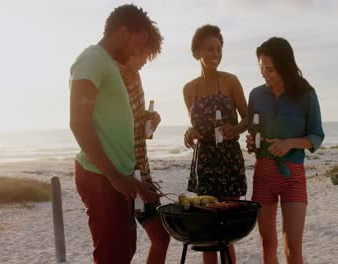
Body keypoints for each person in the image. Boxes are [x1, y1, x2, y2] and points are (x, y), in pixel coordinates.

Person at [69, 4, 160, 264]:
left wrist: (129, 178)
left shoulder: (107, 63)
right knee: (111, 256)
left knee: (123, 251)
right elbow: (78, 122)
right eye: (138, 42)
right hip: (100, 177)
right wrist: (115, 177)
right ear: (122, 32)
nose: (137, 51)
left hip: (117, 177)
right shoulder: (92, 59)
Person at [246, 37, 325, 264]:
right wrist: (252, 144)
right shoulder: (256, 95)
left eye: (270, 69)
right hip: (263, 175)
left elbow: (316, 136)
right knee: (267, 243)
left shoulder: (306, 94)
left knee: (292, 247)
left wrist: (289, 143)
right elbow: (254, 134)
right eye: (262, 68)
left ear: (284, 66)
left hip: (293, 177)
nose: (265, 73)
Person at [182, 24, 248, 264]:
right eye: (210, 49)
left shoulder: (231, 81)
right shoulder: (189, 89)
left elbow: (248, 118)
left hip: (229, 159)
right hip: (205, 163)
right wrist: (190, 132)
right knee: (207, 231)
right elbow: (195, 126)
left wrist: (236, 128)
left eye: (219, 50)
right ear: (197, 51)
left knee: (227, 230)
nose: (215, 54)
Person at [116, 26, 170, 264]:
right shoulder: (113, 77)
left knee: (161, 236)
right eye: (142, 54)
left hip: (142, 171)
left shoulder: (135, 76)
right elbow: (112, 130)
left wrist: (150, 121)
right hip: (122, 176)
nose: (145, 61)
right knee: (124, 247)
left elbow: (137, 131)